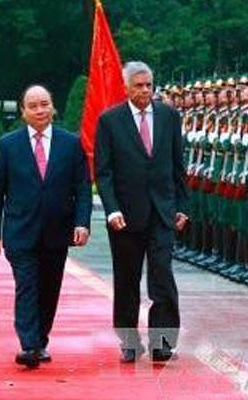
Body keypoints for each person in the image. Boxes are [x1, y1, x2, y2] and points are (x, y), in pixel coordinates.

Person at [0, 85, 91, 369]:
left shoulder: (71, 144)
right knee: (27, 286)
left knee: (49, 289)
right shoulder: (7, 145)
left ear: (53, 107)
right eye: (33, 106)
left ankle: (40, 340)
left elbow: (82, 188)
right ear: (23, 112)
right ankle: (29, 345)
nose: (40, 110)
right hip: (20, 231)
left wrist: (82, 223)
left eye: (45, 104)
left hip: (58, 231)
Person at [94, 61, 189, 363]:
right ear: (126, 87)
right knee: (127, 280)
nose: (146, 91)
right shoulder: (110, 121)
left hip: (162, 213)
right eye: (139, 85)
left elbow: (178, 166)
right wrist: (111, 210)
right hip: (125, 216)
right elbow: (103, 172)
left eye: (149, 85)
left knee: (162, 277)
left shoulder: (169, 117)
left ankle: (163, 342)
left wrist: (183, 206)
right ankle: (129, 342)